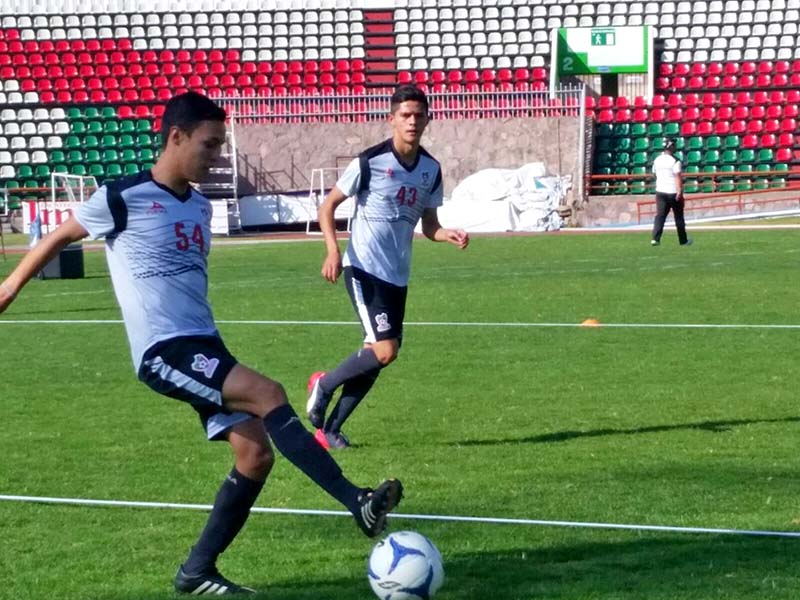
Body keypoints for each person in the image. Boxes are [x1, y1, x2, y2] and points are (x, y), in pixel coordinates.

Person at [0, 92, 402, 596]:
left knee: (254, 456)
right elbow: (57, 237)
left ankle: (197, 571)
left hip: (204, 345)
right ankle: (356, 501)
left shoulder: (196, 206)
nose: (215, 158)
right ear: (176, 137)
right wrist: (10, 287)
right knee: (270, 392)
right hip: (164, 352)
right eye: (209, 146)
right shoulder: (121, 196)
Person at [306, 84, 469, 450]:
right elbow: (327, 207)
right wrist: (333, 251)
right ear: (392, 119)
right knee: (385, 350)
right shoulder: (370, 161)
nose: (412, 121)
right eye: (405, 115)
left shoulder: (430, 169)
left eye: (418, 115)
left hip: (397, 275)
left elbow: (429, 225)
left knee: (378, 355)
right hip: (363, 267)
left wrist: (448, 234)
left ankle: (330, 430)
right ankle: (324, 384)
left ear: (428, 119)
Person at [650, 139, 692, 247]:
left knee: (660, 216)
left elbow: (654, 174)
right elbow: (677, 176)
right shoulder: (675, 160)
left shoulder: (657, 159)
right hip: (672, 191)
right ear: (671, 147)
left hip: (660, 191)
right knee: (678, 217)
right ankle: (683, 240)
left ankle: (655, 238)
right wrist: (679, 191)